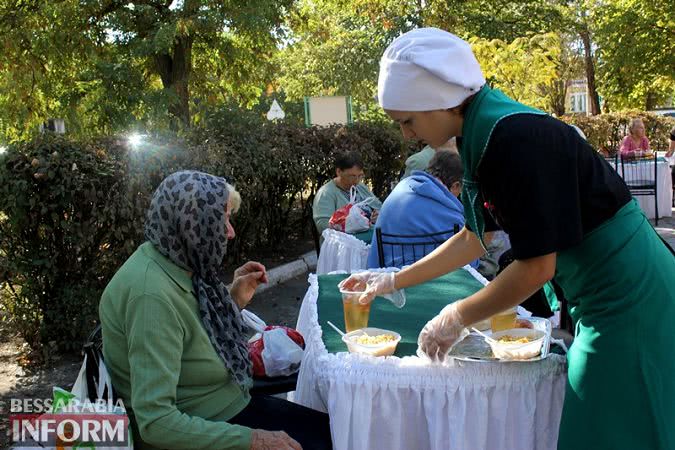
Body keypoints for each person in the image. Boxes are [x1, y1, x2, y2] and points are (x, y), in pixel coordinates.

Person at [342, 28, 675, 450]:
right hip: (605, 296)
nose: (407, 135)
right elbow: (474, 237)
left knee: (609, 431)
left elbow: (537, 266)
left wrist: (455, 316)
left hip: (632, 302)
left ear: (439, 99)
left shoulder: (512, 139)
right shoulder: (481, 133)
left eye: (407, 121)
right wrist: (394, 280)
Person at [100, 170, 332, 450]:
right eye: (222, 219)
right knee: (337, 439)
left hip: (228, 401)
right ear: (191, 224)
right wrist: (253, 440)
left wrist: (232, 300)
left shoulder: (174, 258)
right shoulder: (151, 297)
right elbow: (156, 422)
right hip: (208, 422)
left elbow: (188, 334)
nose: (230, 232)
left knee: (337, 431)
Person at [367, 150, 475, 269]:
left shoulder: (401, 188)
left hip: (386, 271)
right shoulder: (451, 214)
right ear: (455, 185)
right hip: (433, 278)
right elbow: (470, 259)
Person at [312, 151, 382, 237]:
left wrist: (377, 214)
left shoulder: (360, 187)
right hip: (342, 245)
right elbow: (322, 226)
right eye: (352, 176)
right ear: (339, 172)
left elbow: (378, 206)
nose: (356, 180)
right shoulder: (326, 193)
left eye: (360, 176)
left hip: (366, 239)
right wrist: (349, 224)